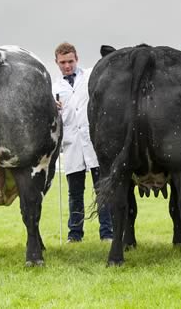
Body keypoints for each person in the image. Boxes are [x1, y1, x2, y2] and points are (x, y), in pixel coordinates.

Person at [52, 42, 112, 242]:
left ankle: (107, 233)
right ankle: (75, 234)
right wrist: (53, 108)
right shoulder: (54, 87)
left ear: (76, 58)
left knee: (102, 190)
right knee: (75, 194)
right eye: (63, 63)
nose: (67, 66)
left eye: (70, 61)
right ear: (56, 62)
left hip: (93, 141)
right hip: (72, 144)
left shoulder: (90, 76)